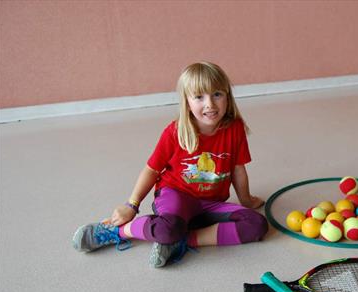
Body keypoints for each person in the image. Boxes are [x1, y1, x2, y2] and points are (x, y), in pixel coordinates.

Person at [72, 62, 268, 267]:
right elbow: (151, 170)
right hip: (176, 196)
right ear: (187, 101)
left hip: (210, 204)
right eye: (199, 97)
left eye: (217, 94)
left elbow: (238, 169)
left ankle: (182, 240)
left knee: (256, 224)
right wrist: (132, 205)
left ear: (227, 95)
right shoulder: (175, 132)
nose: (210, 104)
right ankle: (116, 231)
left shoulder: (234, 129)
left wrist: (246, 199)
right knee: (167, 229)